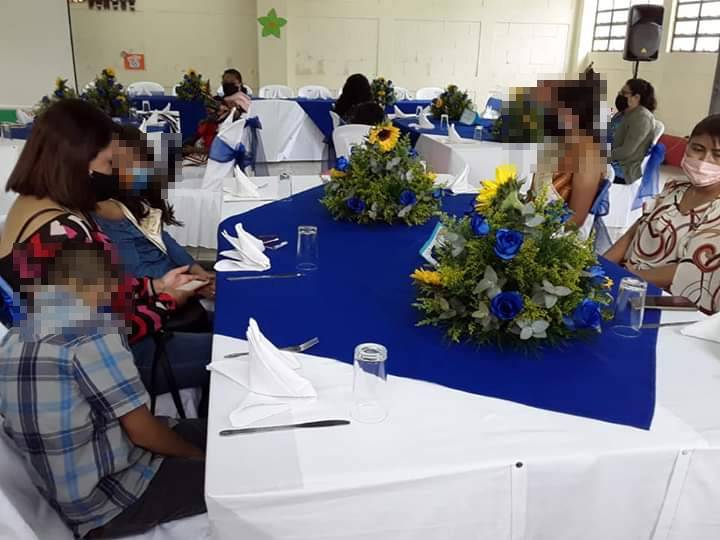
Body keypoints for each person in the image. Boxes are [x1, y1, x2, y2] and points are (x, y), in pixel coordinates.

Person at [1, 99, 212, 397]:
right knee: (234, 351)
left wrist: (155, 286)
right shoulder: (62, 232)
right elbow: (111, 328)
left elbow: (94, 293)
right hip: (113, 365)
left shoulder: (32, 208)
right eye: (109, 164)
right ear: (81, 160)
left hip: (86, 358)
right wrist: (167, 300)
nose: (112, 175)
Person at [0, 242, 207, 539]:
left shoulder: (14, 336)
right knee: (230, 473)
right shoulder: (93, 332)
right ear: (105, 285)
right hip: (111, 501)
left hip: (70, 493)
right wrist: (195, 456)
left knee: (213, 434)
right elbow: (143, 433)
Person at [604, 114, 720, 314]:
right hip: (624, 285)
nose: (704, 160)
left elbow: (692, 269)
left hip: (668, 304)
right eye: (698, 149)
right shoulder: (674, 188)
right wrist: (602, 267)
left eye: (717, 154)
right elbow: (635, 231)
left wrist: (628, 279)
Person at [531, 77, 607, 232]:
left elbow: (575, 220)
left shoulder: (589, 155)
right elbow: (533, 194)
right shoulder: (557, 142)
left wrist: (535, 231)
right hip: (533, 223)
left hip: (557, 235)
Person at [610, 78, 657, 184]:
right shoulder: (623, 113)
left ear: (636, 97)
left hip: (623, 169)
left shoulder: (642, 118)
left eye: (624, 93)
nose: (619, 95)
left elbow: (626, 152)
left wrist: (599, 156)